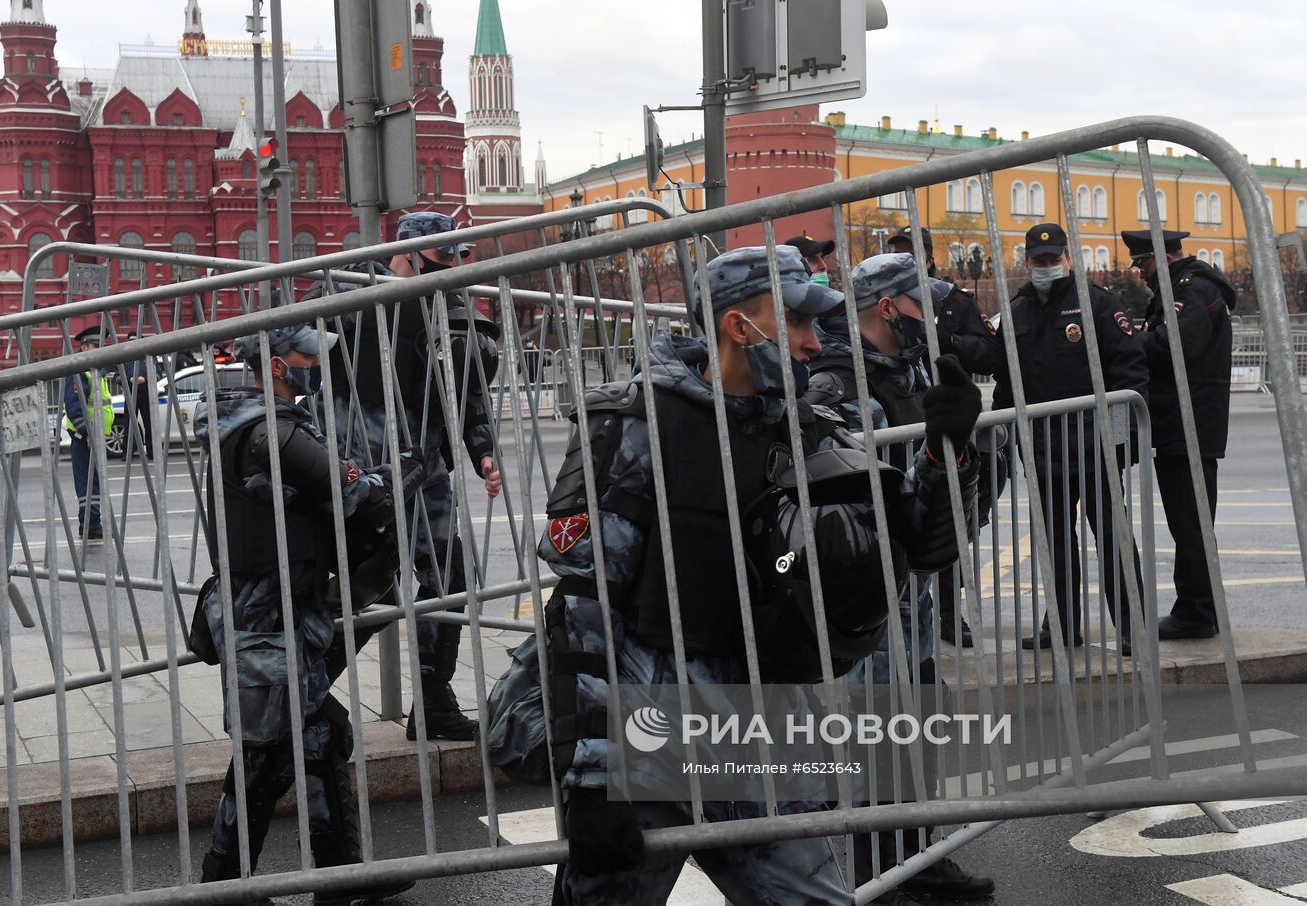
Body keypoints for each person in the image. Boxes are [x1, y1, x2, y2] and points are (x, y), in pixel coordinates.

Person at [540, 244, 980, 905]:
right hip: (648, 742)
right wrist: (594, 779)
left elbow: (910, 545)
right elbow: (584, 613)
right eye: (796, 322)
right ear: (738, 327)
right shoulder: (632, 429)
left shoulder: (811, 429)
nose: (814, 342)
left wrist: (946, 456)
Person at [193, 324, 416, 904]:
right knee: (269, 749)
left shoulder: (268, 423)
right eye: (306, 355)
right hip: (267, 616)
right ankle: (225, 885)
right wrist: (393, 478)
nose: (316, 365)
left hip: (284, 609)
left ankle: (337, 876)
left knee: (316, 737)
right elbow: (347, 492)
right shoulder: (267, 430)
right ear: (274, 364)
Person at [804, 252, 996, 904]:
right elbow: (863, 501)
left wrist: (963, 448)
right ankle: (877, 873)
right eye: (922, 304)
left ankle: (917, 855)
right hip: (872, 591)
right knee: (880, 727)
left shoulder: (912, 371)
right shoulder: (839, 385)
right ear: (888, 307)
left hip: (913, 588)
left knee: (920, 714)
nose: (933, 317)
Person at [317, 211, 502, 742]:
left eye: (454, 259)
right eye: (441, 257)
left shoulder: (445, 304)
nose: (450, 269)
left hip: (425, 463)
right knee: (370, 580)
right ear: (407, 252)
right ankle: (302, 690)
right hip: (363, 467)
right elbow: (302, 348)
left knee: (448, 575)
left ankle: (433, 698)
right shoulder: (349, 289)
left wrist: (483, 452)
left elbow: (464, 386)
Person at [993, 224, 1149, 655]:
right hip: (1044, 450)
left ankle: (1132, 626)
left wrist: (1122, 442)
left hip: (1095, 449)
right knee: (1054, 543)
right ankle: (1061, 625)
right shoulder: (1017, 312)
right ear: (1028, 263)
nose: (1047, 266)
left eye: (1053, 259)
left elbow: (1130, 372)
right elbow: (1007, 382)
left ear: (1068, 259)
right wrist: (1002, 437)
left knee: (1114, 539)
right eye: (1039, 260)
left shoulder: (1098, 304)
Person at [887, 226, 1005, 647]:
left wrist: (947, 340)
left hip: (949, 427)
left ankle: (951, 615)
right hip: (902, 424)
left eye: (911, 254)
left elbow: (990, 355)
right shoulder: (887, 302)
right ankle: (904, 617)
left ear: (929, 258)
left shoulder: (955, 301)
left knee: (952, 521)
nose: (905, 262)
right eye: (898, 254)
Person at [1122, 229, 1237, 640]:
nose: (1140, 273)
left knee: (1191, 522)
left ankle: (1197, 611)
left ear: (1164, 258)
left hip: (1190, 424)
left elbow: (1172, 345)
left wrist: (1130, 342)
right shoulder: (1182, 289)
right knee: (1188, 522)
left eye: (1144, 264)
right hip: (1181, 423)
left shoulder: (1191, 290)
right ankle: (1197, 607)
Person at [63, 327, 113, 540]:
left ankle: (92, 524)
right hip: (85, 437)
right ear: (84, 347)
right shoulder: (81, 370)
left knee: (94, 484)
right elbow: (75, 406)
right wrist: (88, 431)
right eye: (96, 346)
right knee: (87, 485)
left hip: (95, 436)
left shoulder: (96, 370)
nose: (101, 350)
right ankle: (89, 525)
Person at [122, 332, 155, 459]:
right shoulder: (124, 357)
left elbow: (157, 373)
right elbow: (117, 377)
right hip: (131, 394)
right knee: (129, 425)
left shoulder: (148, 356)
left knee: (149, 424)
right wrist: (128, 380)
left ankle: (152, 452)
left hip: (146, 394)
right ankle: (127, 452)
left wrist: (146, 379)